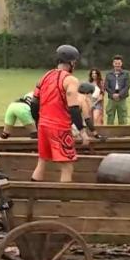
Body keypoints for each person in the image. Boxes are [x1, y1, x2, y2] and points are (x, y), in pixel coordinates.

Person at [29, 45, 91, 183]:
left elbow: (34, 104)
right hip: (59, 127)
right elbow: (74, 108)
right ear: (72, 63)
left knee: (42, 162)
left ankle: (31, 197)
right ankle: (65, 202)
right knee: (67, 167)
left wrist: (39, 122)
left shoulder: (45, 76)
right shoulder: (70, 80)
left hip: (43, 125)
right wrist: (82, 132)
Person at [104, 55, 130, 125]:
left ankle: (123, 133)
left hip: (122, 98)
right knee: (110, 116)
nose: (117, 65)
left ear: (121, 64)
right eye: (116, 63)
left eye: (119, 63)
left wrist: (119, 94)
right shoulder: (108, 74)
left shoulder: (126, 74)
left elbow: (127, 86)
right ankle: (109, 132)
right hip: (112, 98)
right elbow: (106, 86)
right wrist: (112, 94)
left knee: (123, 116)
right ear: (113, 64)